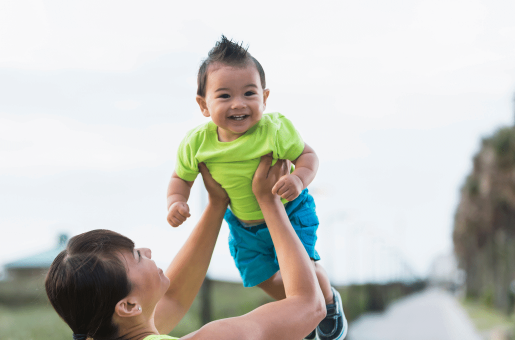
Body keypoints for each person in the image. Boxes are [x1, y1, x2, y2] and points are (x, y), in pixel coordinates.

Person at [166, 36, 347, 340]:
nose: (239, 104)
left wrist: (298, 179)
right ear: (203, 105)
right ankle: (300, 312)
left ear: (264, 97)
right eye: (224, 96)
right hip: (243, 225)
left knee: (305, 271)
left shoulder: (274, 130)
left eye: (249, 93)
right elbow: (180, 178)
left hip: (290, 212)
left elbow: (308, 156)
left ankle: (327, 303)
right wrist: (176, 202)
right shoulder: (197, 143)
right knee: (260, 277)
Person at [46, 156, 326, 340]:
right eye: (136, 255)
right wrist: (269, 202)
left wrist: (217, 205)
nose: (147, 251)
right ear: (128, 305)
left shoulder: (107, 327)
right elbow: (309, 306)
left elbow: (174, 300)